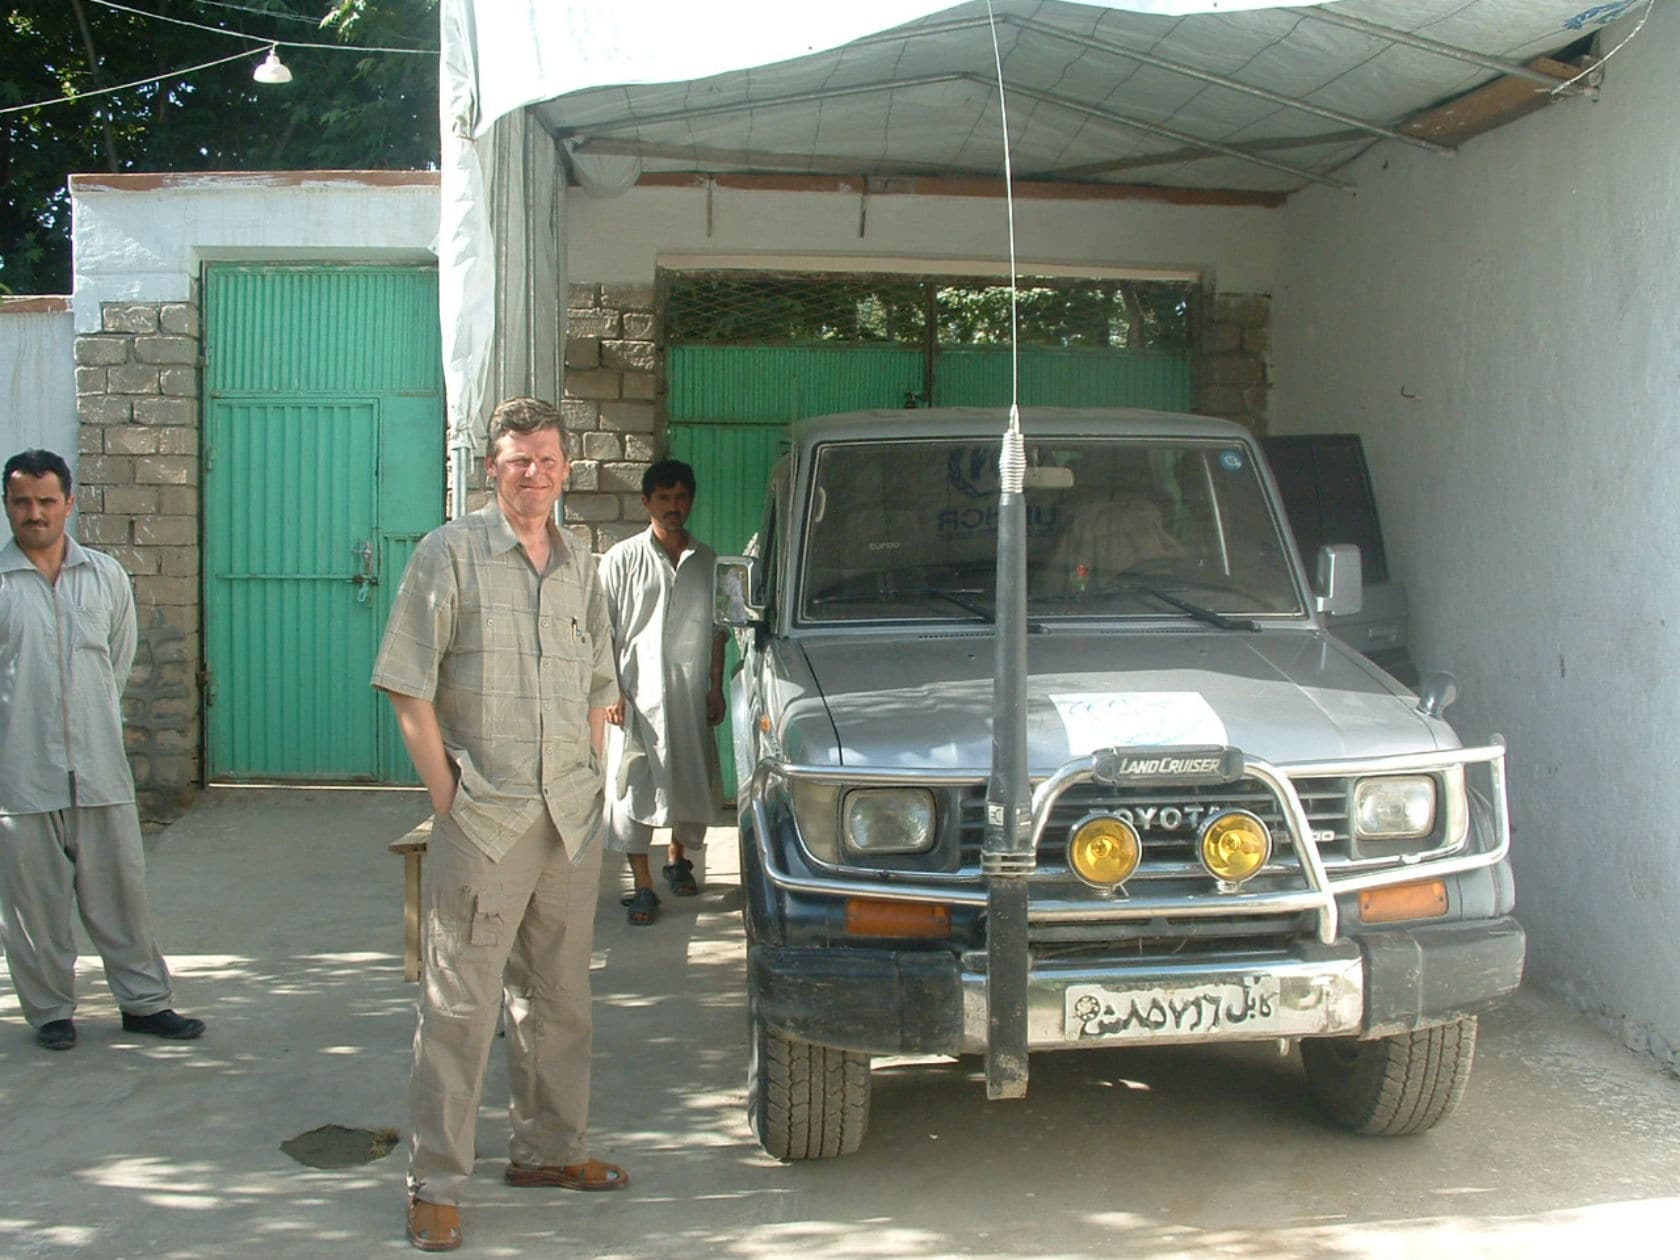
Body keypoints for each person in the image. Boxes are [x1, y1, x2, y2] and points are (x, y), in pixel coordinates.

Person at [372, 398, 628, 1253]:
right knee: (461, 1006)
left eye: (548, 459)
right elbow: (408, 681)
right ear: (493, 467)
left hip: (568, 817)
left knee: (560, 998)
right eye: (519, 459)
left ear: (565, 467)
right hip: (485, 820)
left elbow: (601, 684)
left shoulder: (582, 562)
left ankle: (551, 1151)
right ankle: (435, 1184)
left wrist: (591, 775)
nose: (535, 472)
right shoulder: (448, 554)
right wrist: (447, 794)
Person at [0, 449, 205, 1052]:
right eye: (21, 502)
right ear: (7, 507)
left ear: (68, 502)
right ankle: (50, 1013)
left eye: (45, 501)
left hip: (99, 769)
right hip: (22, 775)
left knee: (121, 896)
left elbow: (116, 664)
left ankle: (144, 1004)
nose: (34, 513)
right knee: (34, 908)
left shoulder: (106, 577)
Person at [599, 459, 726, 926]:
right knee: (632, 785)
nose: (675, 507)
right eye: (665, 498)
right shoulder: (622, 559)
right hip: (635, 697)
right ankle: (643, 885)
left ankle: (677, 859)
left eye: (682, 497)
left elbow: (718, 630)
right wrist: (610, 690)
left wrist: (714, 686)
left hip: (690, 693)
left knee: (689, 778)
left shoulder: (707, 560)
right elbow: (601, 632)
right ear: (647, 502)